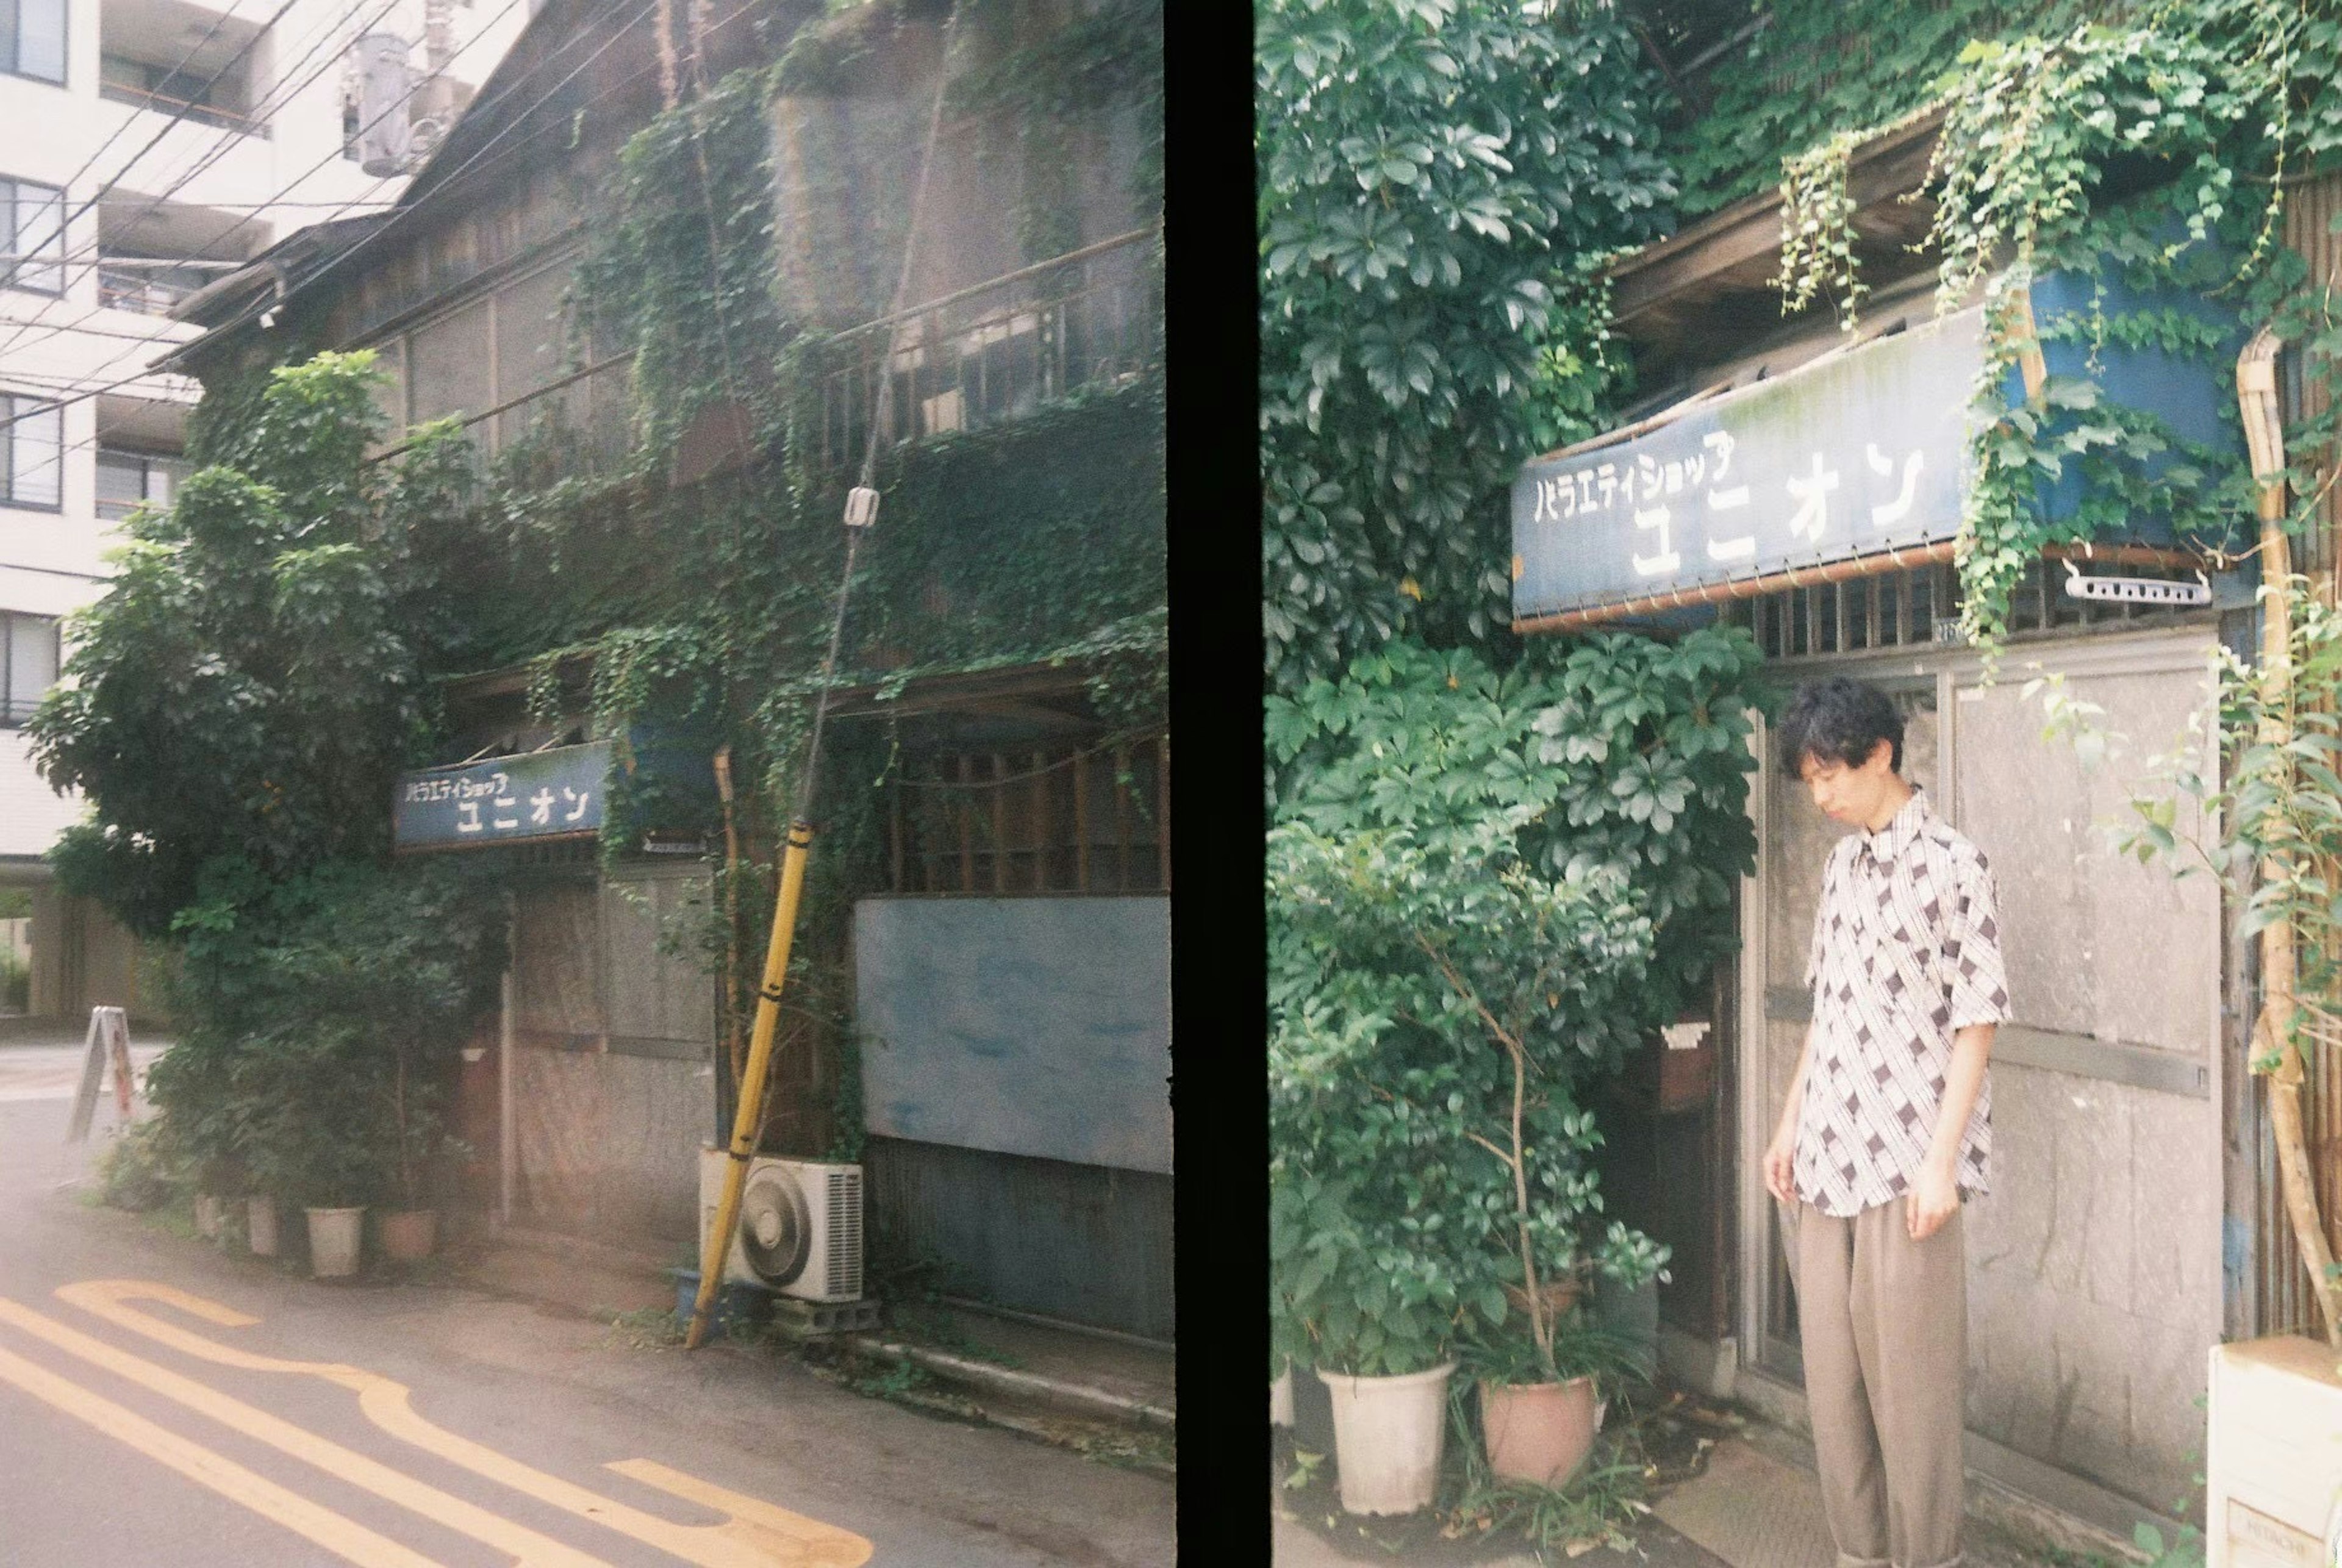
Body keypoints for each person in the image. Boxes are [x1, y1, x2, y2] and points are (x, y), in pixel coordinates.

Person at [1763, 675, 2010, 1568]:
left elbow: (1977, 1020)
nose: (1820, 796)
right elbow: (1830, 1007)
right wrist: (1789, 1123)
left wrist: (1943, 1163)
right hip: (1825, 1162)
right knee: (1834, 1400)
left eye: (1830, 775)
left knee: (1914, 1404)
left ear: (1881, 755)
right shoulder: (1841, 868)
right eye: (1810, 780)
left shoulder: (1956, 865)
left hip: (1908, 1172)